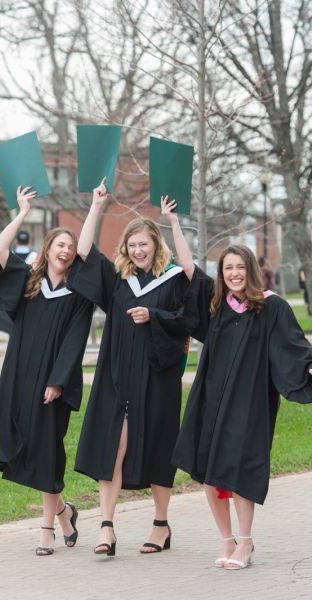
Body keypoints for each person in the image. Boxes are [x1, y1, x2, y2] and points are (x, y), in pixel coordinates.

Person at [165, 198, 312, 570]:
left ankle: (245, 543)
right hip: (211, 400)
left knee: (239, 469)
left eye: (239, 267)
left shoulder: (271, 307)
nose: (234, 273)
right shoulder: (216, 306)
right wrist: (173, 223)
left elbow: (293, 347)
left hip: (249, 402)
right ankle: (226, 541)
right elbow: (187, 267)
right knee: (209, 471)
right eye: (227, 268)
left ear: (251, 270)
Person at [69, 183, 190, 557]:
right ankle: (106, 527)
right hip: (117, 378)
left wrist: (153, 315)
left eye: (144, 244)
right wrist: (95, 205)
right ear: (126, 248)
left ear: (156, 245)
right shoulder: (118, 281)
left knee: (157, 448)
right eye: (132, 245)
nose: (138, 251)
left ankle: (160, 524)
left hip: (157, 379)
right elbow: (84, 251)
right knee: (113, 448)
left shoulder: (171, 280)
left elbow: (189, 307)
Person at [0, 185, 94, 556]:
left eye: (70, 247)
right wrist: (23, 212)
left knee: (46, 449)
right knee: (21, 442)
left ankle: (47, 529)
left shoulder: (78, 296)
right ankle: (64, 511)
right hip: (19, 374)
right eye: (58, 245)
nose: (64, 251)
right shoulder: (28, 283)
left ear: (75, 255)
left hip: (51, 382)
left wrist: (58, 382)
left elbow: (75, 341)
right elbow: (0, 250)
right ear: (47, 250)